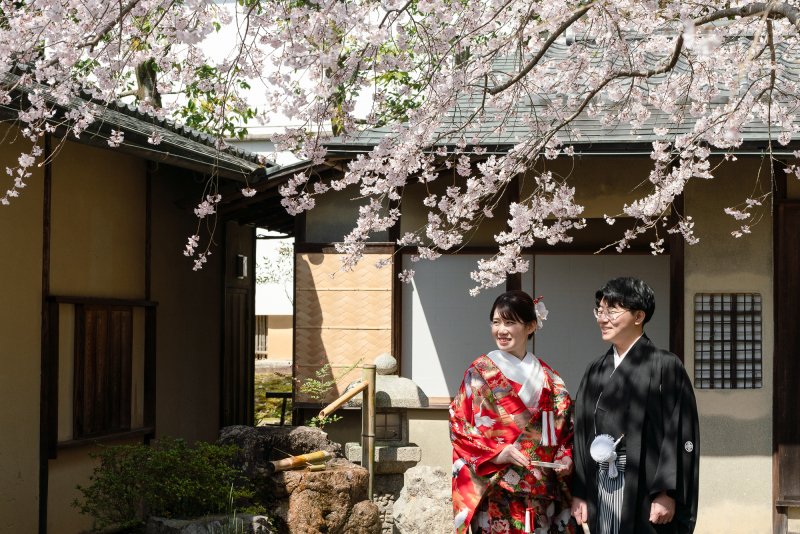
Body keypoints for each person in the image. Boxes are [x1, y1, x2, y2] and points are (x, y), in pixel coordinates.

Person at [570, 277, 700, 534]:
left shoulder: (665, 365)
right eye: (600, 311)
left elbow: (680, 430)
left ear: (639, 316)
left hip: (646, 486)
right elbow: (582, 433)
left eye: (611, 311)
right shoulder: (595, 369)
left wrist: (667, 491)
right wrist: (579, 491)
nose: (602, 319)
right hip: (599, 484)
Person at [450, 290, 575, 534]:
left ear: (531, 326)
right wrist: (498, 452)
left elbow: (565, 431)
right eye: (496, 322)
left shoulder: (551, 380)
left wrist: (566, 456)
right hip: (494, 487)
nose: (501, 330)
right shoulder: (478, 373)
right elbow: (459, 425)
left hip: (539, 491)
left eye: (510, 322)